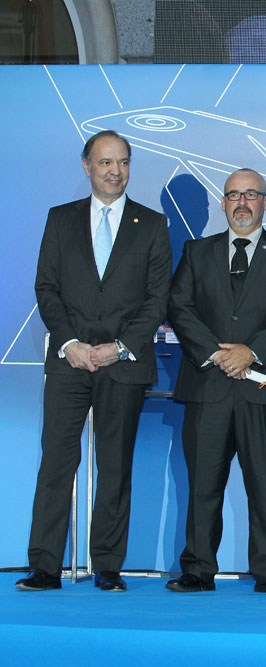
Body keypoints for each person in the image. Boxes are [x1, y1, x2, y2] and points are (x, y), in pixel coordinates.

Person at [18, 130, 172, 592]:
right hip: (70, 361)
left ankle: (108, 565)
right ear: (87, 166)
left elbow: (157, 298)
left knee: (115, 463)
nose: (115, 171)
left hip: (123, 363)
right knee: (56, 463)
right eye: (106, 162)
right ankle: (46, 565)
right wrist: (69, 344)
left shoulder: (153, 224)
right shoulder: (60, 220)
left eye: (123, 162)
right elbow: (47, 288)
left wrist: (119, 346)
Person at [166, 168, 266, 595]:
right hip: (207, 386)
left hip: (264, 388)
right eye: (233, 195)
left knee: (265, 484)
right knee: (202, 485)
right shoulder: (197, 252)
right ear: (223, 203)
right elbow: (180, 307)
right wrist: (216, 353)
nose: (242, 203)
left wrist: (250, 352)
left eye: (251, 195)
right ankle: (196, 569)